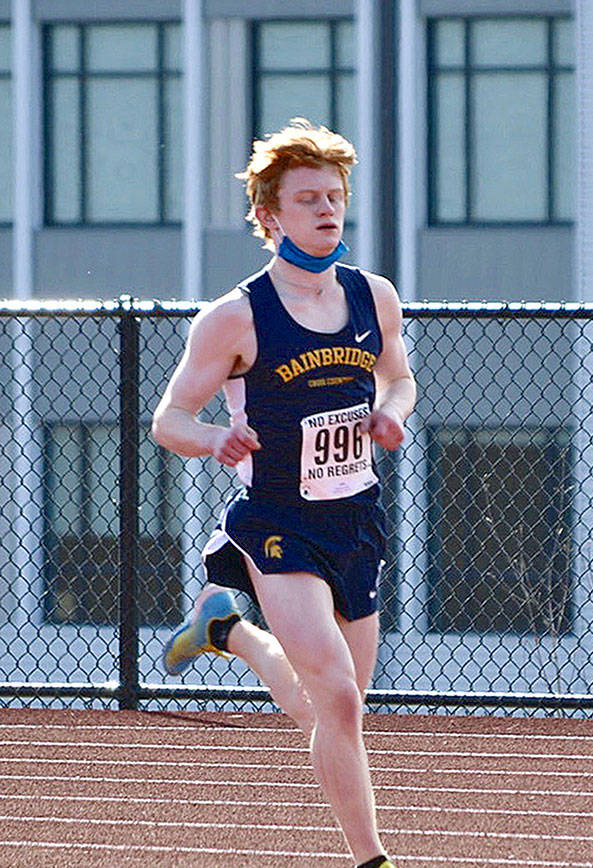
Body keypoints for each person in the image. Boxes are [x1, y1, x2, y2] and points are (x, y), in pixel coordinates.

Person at [152, 118, 414, 868]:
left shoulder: (374, 297)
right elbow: (168, 419)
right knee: (335, 698)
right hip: (275, 522)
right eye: (308, 199)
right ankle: (372, 858)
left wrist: (391, 414)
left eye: (334, 196)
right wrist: (214, 440)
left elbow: (399, 377)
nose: (328, 209)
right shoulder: (235, 316)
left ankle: (227, 630)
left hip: (354, 518)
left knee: (336, 707)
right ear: (270, 216)